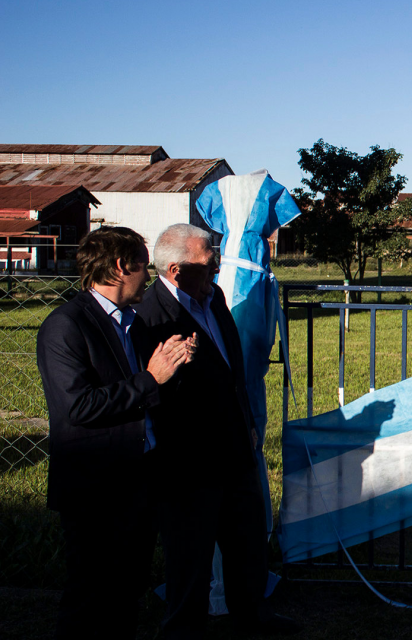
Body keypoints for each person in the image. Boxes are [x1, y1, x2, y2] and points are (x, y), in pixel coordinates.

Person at [134, 223, 298, 638]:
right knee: (190, 557)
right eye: (209, 264)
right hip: (189, 463)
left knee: (247, 543)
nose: (217, 270)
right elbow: (153, 395)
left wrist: (247, 424)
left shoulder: (215, 297)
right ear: (176, 270)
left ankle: (253, 616)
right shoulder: (150, 318)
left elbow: (232, 369)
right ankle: (183, 629)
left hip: (235, 450)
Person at [37, 226, 194, 638]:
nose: (150, 276)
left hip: (139, 478)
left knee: (128, 589)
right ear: (123, 267)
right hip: (96, 486)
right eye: (145, 266)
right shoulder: (67, 325)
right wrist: (151, 378)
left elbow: (148, 393)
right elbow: (78, 407)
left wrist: (174, 366)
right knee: (90, 595)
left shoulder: (132, 323)